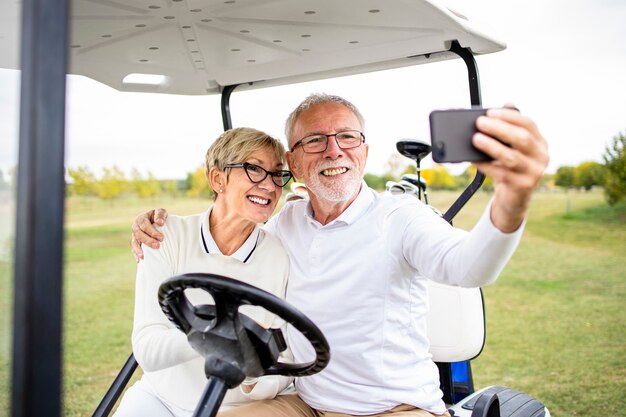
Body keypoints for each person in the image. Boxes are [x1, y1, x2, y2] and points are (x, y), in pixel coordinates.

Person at [131, 93, 549, 417]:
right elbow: (229, 223)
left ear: (364, 151)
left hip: (394, 408)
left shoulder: (401, 217)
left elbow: (468, 266)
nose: (334, 150)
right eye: (315, 140)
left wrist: (512, 199)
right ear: (293, 162)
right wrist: (150, 226)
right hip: (305, 405)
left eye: (347, 137)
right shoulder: (283, 224)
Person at [115, 127, 295, 417]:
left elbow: (281, 359)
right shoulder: (166, 235)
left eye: (277, 174)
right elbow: (147, 347)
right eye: (254, 169)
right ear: (217, 178)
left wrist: (252, 372)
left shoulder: (279, 254)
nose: (271, 186)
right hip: (160, 398)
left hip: (237, 409)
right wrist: (218, 335)